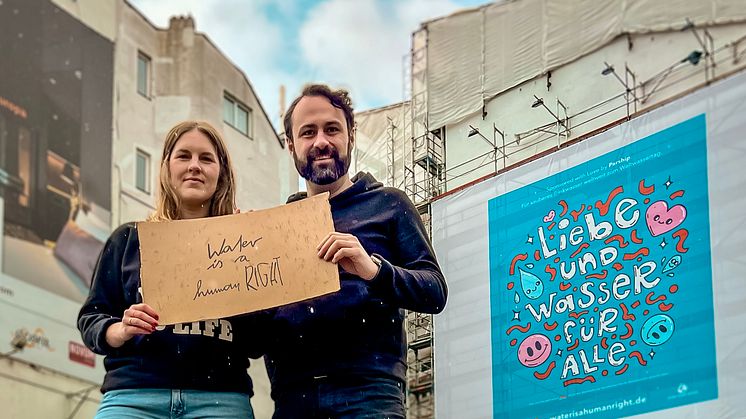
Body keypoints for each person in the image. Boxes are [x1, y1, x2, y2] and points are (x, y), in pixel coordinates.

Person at [264, 84, 448, 418]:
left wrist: (373, 270)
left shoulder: (389, 204)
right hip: (293, 400)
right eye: (308, 133)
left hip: (370, 396)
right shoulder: (276, 227)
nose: (321, 141)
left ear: (351, 136)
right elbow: (258, 329)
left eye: (332, 129)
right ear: (291, 146)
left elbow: (434, 291)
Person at [78, 121, 260, 418]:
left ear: (221, 173)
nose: (194, 166)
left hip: (220, 399)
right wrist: (120, 330)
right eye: (184, 156)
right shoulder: (127, 240)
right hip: (133, 397)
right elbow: (91, 318)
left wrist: (247, 257)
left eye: (206, 158)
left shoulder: (245, 246)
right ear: (166, 168)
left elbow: (257, 342)